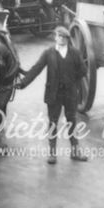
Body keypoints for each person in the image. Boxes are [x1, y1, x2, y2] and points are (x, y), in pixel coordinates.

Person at [17, 26, 88, 163]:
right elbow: (36, 69)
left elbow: (83, 70)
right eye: (58, 36)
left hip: (70, 93)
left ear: (67, 39)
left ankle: (75, 152)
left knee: (71, 121)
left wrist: (72, 81)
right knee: (53, 123)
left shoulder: (75, 53)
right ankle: (52, 154)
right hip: (53, 93)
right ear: (55, 37)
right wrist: (23, 83)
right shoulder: (48, 53)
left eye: (64, 37)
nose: (61, 39)